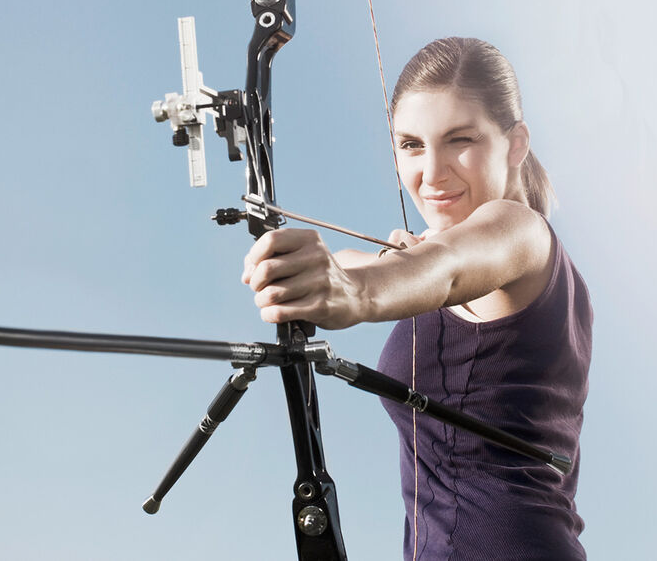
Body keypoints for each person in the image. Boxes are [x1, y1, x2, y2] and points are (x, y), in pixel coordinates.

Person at [241, 37, 592, 560]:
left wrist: (354, 292)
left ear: (515, 143)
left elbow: (447, 269)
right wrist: (315, 267)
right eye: (411, 145)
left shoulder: (520, 232)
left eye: (460, 140)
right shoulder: (449, 256)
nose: (432, 173)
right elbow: (421, 264)